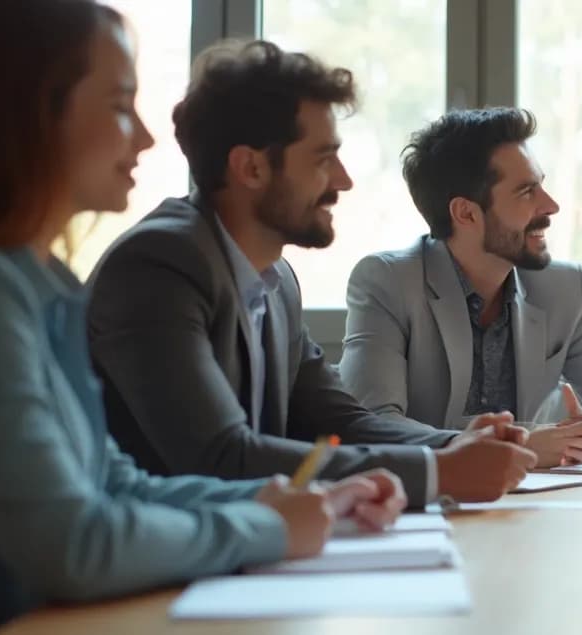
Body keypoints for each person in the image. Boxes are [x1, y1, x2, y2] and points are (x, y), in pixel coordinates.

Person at [0, 3, 403, 635]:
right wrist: (268, 526)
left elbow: (114, 482)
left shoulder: (43, 284)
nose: (147, 138)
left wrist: (302, 501)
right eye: (121, 105)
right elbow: (74, 543)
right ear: (33, 111)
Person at [85, 41, 536, 503]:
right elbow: (218, 457)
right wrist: (439, 472)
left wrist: (455, 445)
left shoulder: (275, 279)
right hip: (160, 544)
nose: (343, 180)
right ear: (251, 167)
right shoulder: (159, 266)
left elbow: (339, 422)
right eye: (323, 159)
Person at [339, 107, 582, 468]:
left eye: (541, 185)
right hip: (425, 495)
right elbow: (371, 424)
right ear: (466, 213)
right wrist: (512, 446)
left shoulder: (563, 288)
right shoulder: (388, 281)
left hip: (541, 497)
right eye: (526, 192)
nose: (551, 206)